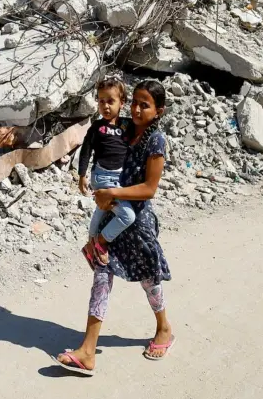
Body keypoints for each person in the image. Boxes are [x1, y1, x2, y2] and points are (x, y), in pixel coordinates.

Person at [54, 79, 174, 375]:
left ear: (159, 111)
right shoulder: (126, 130)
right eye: (134, 102)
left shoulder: (156, 141)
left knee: (148, 279)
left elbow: (149, 188)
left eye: (144, 105)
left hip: (139, 221)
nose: (136, 109)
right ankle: (88, 350)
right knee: (101, 277)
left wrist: (112, 194)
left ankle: (164, 328)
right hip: (114, 215)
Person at [78, 78, 133, 267]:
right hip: (102, 177)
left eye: (111, 101)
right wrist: (81, 175)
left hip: (120, 178)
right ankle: (101, 242)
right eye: (101, 101)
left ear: (122, 102)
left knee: (101, 210)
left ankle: (89, 244)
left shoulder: (126, 125)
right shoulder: (97, 127)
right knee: (127, 216)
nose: (105, 106)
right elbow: (86, 150)